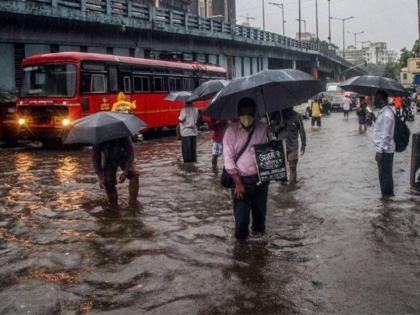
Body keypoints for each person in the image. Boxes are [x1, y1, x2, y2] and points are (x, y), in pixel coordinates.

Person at [223, 97, 269, 240]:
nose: (247, 116)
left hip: (260, 181)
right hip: (240, 182)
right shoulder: (231, 132)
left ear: (255, 112)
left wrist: (272, 136)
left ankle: (259, 254)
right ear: (238, 113)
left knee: (260, 222)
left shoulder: (262, 128)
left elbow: (268, 153)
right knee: (241, 223)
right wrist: (238, 184)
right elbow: (228, 160)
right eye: (244, 112)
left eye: (250, 112)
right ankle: (241, 253)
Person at [92, 137, 139, 206]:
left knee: (134, 174)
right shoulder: (98, 139)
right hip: (109, 160)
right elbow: (96, 160)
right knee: (107, 183)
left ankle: (133, 202)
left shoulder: (123, 134)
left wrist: (125, 172)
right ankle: (113, 205)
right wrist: (100, 177)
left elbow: (130, 153)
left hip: (124, 157)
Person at [272, 108, 306, 184]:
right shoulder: (276, 116)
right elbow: (272, 130)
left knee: (292, 167)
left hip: (293, 146)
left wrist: (303, 144)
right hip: (280, 147)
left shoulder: (297, 116)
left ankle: (292, 188)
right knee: (281, 170)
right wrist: (279, 126)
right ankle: (283, 189)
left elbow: (302, 131)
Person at [373, 90, 395, 197]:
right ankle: (387, 201)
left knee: (385, 176)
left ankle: (387, 198)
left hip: (385, 151)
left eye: (377, 98)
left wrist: (379, 151)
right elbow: (380, 130)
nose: (374, 100)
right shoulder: (382, 112)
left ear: (382, 100)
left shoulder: (387, 114)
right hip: (383, 150)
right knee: (383, 175)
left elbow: (386, 135)